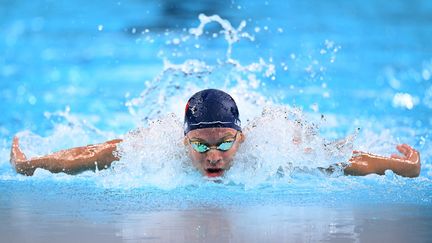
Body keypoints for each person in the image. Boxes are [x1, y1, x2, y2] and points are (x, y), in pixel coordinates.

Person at [10, 89, 421, 178]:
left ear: (240, 138)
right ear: (183, 140)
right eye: (201, 145)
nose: (214, 156)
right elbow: (90, 154)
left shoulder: (272, 148)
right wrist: (30, 164)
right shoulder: (157, 150)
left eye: (225, 143)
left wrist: (404, 166)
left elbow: (342, 159)